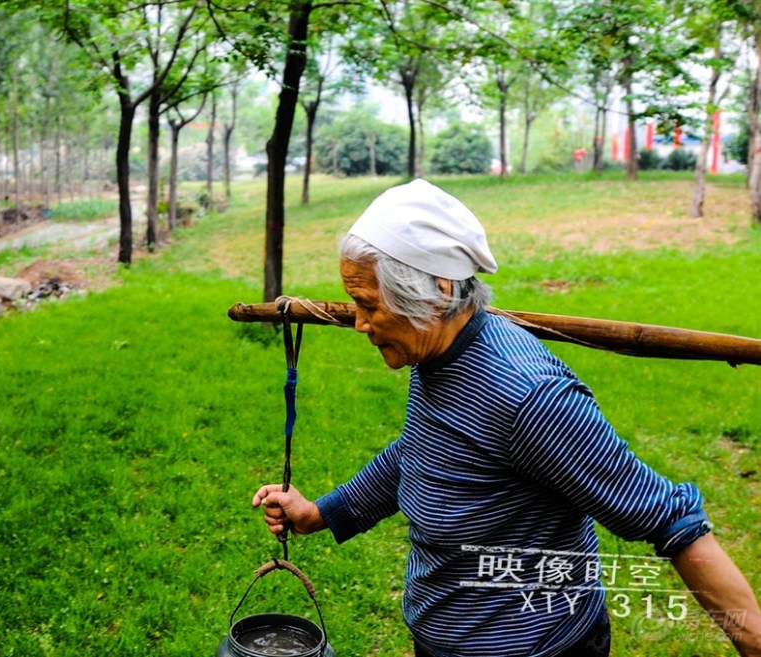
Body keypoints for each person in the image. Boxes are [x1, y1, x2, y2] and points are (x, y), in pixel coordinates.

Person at [252, 179, 761, 657]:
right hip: (444, 637)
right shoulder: (436, 352)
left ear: (441, 293)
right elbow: (422, 450)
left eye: (368, 305)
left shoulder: (526, 397)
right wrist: (322, 513)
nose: (358, 323)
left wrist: (751, 638)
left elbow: (669, 517)